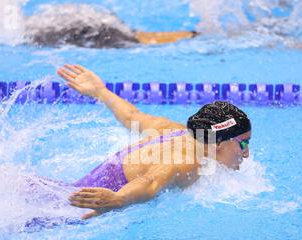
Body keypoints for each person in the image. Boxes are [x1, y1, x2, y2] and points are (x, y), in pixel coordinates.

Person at [57, 64, 251, 219]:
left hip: (69, 191)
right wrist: (118, 199)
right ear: (218, 142)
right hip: (73, 207)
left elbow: (132, 116)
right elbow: (150, 182)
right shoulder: (186, 162)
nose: (247, 153)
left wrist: (100, 91)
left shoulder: (176, 131)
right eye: (243, 143)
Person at [25, 4, 197, 48]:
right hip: (95, 26)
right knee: (133, 37)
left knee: (133, 38)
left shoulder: (25, 33)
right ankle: (192, 34)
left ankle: (193, 34)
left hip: (94, 28)